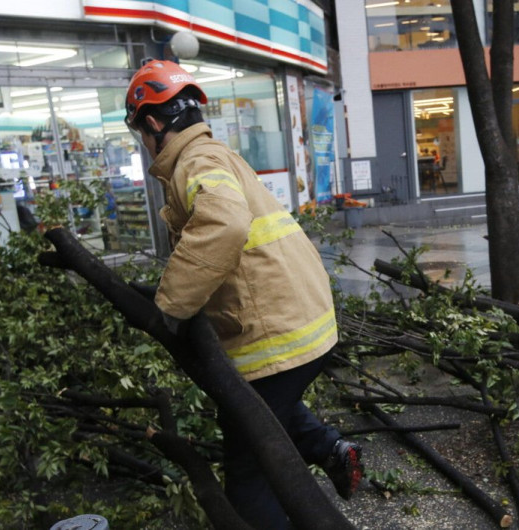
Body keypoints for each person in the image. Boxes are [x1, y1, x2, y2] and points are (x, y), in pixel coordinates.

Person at [123, 59, 362, 529]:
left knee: (249, 467)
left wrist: (170, 305)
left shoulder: (197, 161)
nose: (144, 144)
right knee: (267, 409)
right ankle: (331, 449)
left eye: (141, 134)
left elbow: (224, 223)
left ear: (152, 123)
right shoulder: (215, 155)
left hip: (276, 330)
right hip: (298, 316)